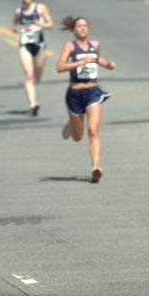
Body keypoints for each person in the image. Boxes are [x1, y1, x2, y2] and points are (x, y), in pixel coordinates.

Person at [56, 16, 116, 183]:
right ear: (74, 30)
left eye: (85, 26)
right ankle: (71, 125)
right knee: (77, 137)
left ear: (88, 29)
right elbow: (59, 67)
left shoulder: (94, 45)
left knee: (93, 130)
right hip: (75, 93)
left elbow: (97, 59)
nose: (82, 28)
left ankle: (96, 167)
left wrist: (108, 65)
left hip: (92, 92)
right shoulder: (70, 46)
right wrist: (80, 62)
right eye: (79, 26)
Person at [12, 0, 53, 116]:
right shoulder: (19, 11)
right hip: (25, 46)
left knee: (37, 76)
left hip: (39, 46)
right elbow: (15, 22)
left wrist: (41, 24)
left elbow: (50, 24)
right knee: (29, 75)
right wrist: (15, 28)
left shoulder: (40, 8)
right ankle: (33, 104)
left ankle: (34, 88)